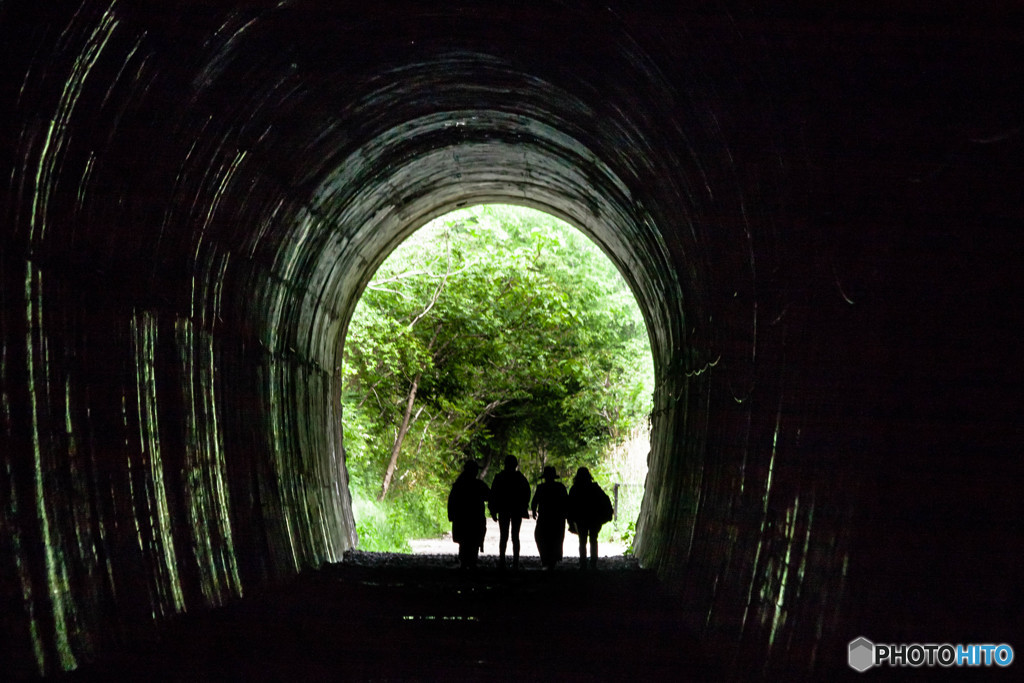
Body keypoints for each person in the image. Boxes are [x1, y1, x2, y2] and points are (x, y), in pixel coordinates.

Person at [488, 455, 531, 570]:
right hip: (516, 510)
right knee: (515, 536)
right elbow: (527, 492)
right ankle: (515, 562)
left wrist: (493, 510)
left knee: (504, 536)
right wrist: (524, 506)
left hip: (503, 509)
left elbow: (493, 494)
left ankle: (502, 561)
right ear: (516, 465)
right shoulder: (520, 478)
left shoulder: (500, 477)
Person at [566, 467, 614, 570]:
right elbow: (605, 500)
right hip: (594, 519)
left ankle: (583, 563)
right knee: (593, 540)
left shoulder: (575, 489)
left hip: (581, 519)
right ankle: (593, 563)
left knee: (582, 541)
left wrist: (570, 520)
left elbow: (570, 506)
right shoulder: (595, 488)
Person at [447, 460, 490, 569]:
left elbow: (451, 500)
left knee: (464, 541)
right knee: (473, 541)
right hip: (475, 519)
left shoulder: (458, 485)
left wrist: (451, 515)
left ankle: (465, 562)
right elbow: (490, 496)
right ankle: (471, 561)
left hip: (462, 519)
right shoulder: (478, 485)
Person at [531, 466, 568, 569]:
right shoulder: (560, 487)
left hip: (545, 517)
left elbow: (534, 501)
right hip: (558, 518)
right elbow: (566, 502)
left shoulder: (541, 487)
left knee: (541, 537)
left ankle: (546, 558)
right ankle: (552, 559)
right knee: (556, 538)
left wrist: (534, 510)